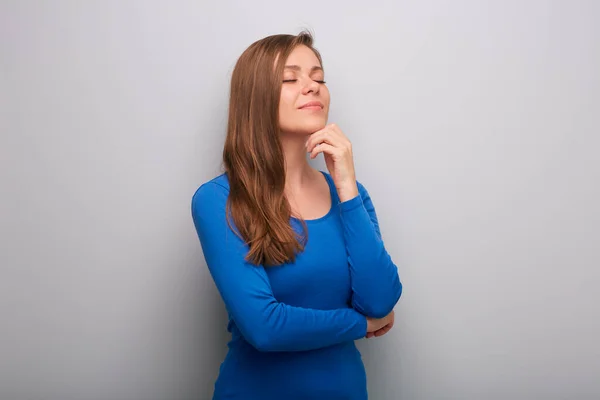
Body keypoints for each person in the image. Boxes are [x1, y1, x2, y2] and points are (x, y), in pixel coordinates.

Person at [191, 31, 402, 400]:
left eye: (318, 78)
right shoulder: (218, 199)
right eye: (291, 79)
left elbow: (381, 300)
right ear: (255, 98)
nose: (312, 87)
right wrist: (362, 324)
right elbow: (266, 327)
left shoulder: (351, 195)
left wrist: (347, 186)